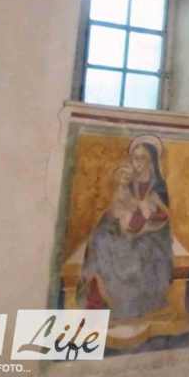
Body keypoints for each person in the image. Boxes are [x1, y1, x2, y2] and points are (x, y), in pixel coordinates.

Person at [77, 135, 174, 320]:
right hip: (124, 231)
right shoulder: (128, 182)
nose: (137, 162)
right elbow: (115, 210)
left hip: (151, 238)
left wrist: (146, 221)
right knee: (100, 240)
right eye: (135, 157)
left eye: (142, 158)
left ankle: (127, 307)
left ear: (152, 161)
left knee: (137, 252)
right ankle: (97, 304)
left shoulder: (159, 188)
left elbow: (164, 220)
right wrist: (114, 219)